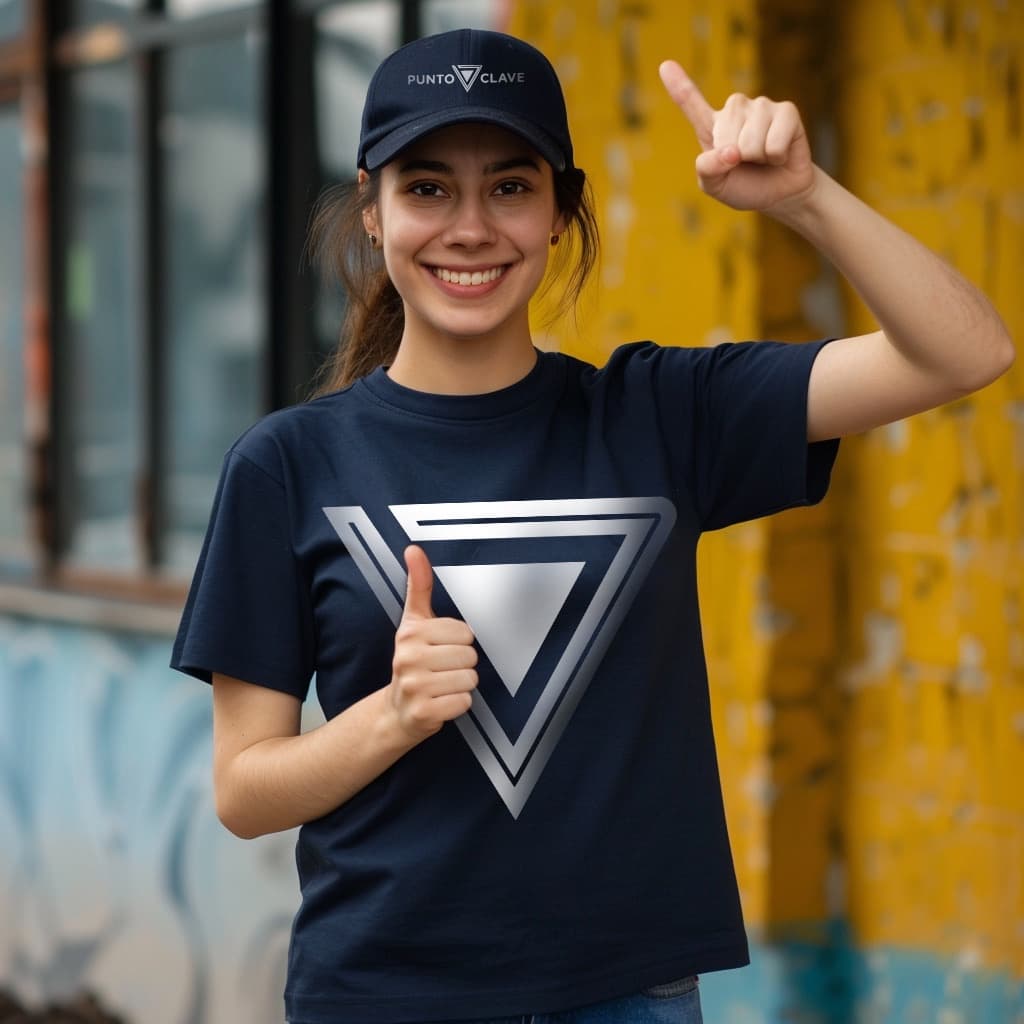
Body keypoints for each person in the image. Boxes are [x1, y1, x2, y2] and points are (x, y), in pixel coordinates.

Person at [170, 27, 1013, 1024]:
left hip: (628, 997)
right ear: (373, 205)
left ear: (562, 211)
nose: (470, 227)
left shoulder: (662, 414)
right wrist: (389, 717)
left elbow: (965, 352)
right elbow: (244, 790)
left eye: (511, 187)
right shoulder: (286, 464)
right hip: (386, 993)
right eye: (429, 187)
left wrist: (804, 200)